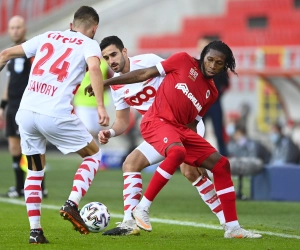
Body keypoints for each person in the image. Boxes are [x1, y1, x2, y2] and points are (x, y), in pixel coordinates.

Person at [100, 41, 262, 238]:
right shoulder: (180, 61)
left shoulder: (210, 91)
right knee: (137, 162)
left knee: (217, 166)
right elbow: (125, 117)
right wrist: (106, 84)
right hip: (157, 123)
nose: (212, 65)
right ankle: (132, 217)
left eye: (218, 63)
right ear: (203, 57)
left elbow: (193, 122)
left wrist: (196, 153)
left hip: (181, 128)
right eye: (209, 60)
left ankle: (232, 227)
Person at [86, 36, 225, 236]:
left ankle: (226, 221)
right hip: (158, 130)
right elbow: (123, 121)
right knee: (131, 164)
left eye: (114, 54)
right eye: (106, 58)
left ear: (124, 52)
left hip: (184, 124)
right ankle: (129, 223)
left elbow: (178, 76)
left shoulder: (148, 60)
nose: (111, 61)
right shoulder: (117, 87)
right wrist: (111, 131)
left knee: (190, 172)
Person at [0, 6, 109, 244]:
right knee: (93, 155)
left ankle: (35, 231)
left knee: (35, 170)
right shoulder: (89, 43)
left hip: (26, 112)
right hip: (55, 113)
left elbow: (5, 54)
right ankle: (72, 203)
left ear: (71, 24)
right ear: (94, 29)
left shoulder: (48, 36)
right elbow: (94, 68)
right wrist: (101, 106)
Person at [0, 16, 47, 198]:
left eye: (18, 27)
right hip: (11, 104)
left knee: (31, 146)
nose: (15, 31)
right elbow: (10, 80)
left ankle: (41, 186)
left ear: (24, 29)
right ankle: (19, 186)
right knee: (14, 147)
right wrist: (3, 105)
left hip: (26, 104)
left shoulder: (31, 50)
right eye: (12, 28)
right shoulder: (11, 54)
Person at [197, 36, 229, 156]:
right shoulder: (196, 64)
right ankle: (195, 160)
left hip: (214, 104)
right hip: (200, 104)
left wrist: (216, 95)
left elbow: (226, 84)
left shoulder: (219, 64)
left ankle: (224, 158)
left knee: (219, 132)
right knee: (198, 133)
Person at [227, 124, 270, 199]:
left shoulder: (252, 144)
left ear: (240, 133)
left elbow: (253, 157)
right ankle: (238, 191)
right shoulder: (236, 144)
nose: (235, 136)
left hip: (258, 164)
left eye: (236, 134)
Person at [73, 58, 111, 138]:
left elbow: (109, 81)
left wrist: (99, 88)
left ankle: (96, 149)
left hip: (98, 105)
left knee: (97, 132)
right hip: (82, 104)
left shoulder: (103, 64)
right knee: (87, 131)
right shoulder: (77, 63)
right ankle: (91, 149)